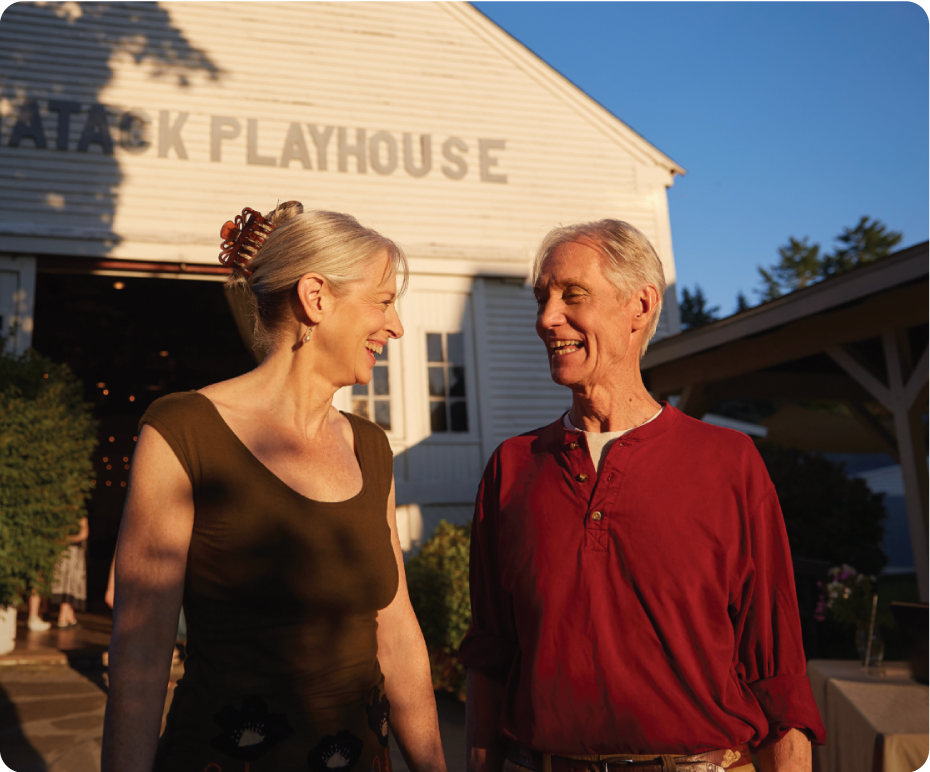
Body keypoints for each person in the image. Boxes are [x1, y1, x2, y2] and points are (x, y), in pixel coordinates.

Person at [461, 220, 825, 772]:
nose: (546, 318)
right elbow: (489, 657)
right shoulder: (512, 468)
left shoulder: (727, 462)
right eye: (542, 298)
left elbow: (775, 666)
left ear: (640, 305)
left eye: (571, 295)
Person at [102, 202, 447, 772]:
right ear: (316, 298)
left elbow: (397, 630)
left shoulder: (371, 448)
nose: (397, 325)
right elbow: (141, 647)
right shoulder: (184, 431)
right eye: (384, 302)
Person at [51, 516, 89, 628]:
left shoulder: (79, 516)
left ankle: (69, 616)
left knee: (71, 581)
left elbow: (83, 534)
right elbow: (84, 534)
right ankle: (63, 616)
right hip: (66, 552)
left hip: (73, 552)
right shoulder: (64, 515)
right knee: (66, 581)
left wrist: (66, 539)